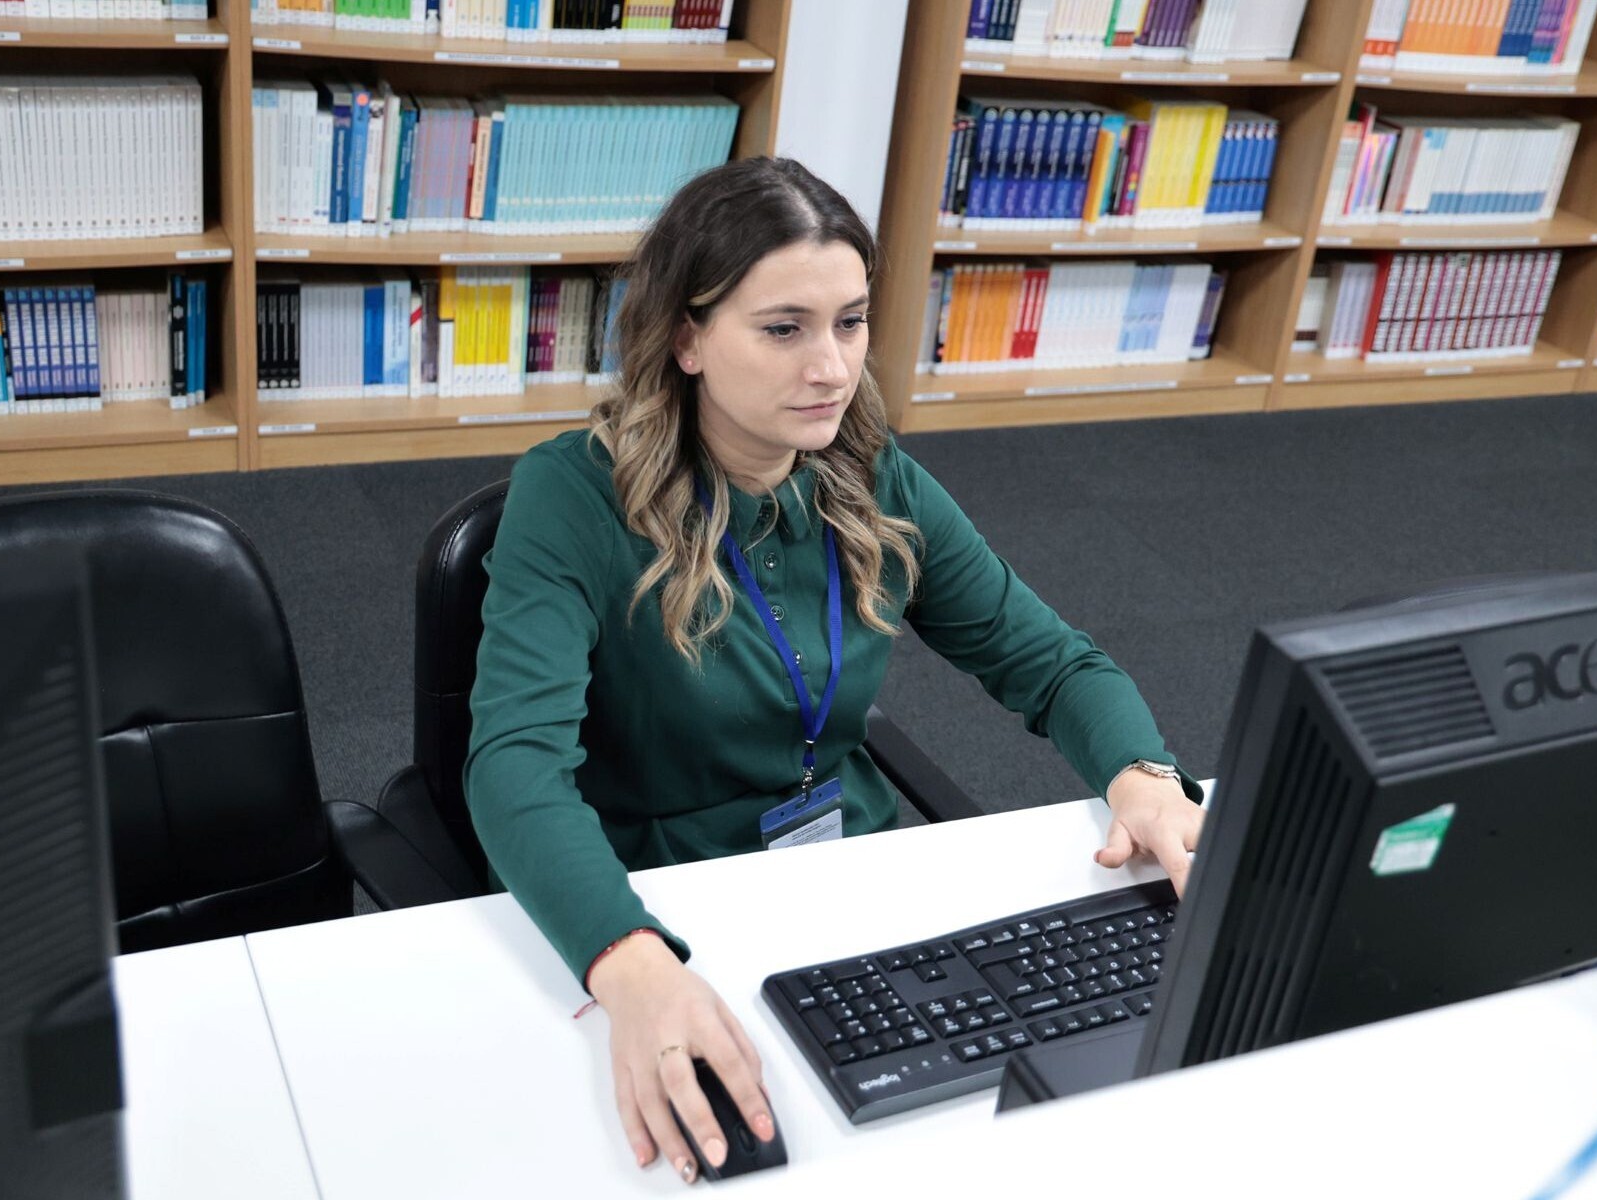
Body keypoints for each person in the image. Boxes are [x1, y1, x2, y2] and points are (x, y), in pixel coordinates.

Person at [464, 156, 1203, 1185]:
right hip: (657, 902)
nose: (831, 368)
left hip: (847, 885)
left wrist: (1143, 777)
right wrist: (627, 963)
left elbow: (1052, 663)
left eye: (849, 322)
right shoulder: (569, 499)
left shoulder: (870, 475)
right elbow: (511, 770)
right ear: (683, 336)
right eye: (783, 329)